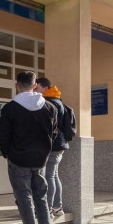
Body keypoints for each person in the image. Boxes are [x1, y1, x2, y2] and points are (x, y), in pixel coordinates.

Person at [0, 71, 58, 224]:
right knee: (41, 196)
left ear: (17, 85)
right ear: (34, 85)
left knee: (24, 197)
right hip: (40, 159)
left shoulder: (10, 108)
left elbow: (3, 135)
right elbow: (53, 133)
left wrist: (7, 153)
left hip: (18, 159)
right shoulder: (50, 108)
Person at [35, 77, 69, 216]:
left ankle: (47, 208)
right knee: (53, 175)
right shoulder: (58, 101)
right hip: (59, 143)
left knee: (48, 176)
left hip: (51, 144)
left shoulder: (48, 102)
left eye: (37, 88)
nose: (35, 91)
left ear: (44, 88)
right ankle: (57, 207)